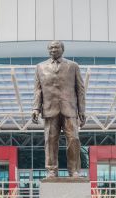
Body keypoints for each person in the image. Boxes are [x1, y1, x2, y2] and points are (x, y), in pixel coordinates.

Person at [31, 40, 86, 178]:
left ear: (62, 49)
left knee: (73, 139)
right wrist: (36, 109)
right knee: (50, 140)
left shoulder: (73, 66)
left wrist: (82, 110)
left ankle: (74, 170)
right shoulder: (40, 67)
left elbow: (80, 89)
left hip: (70, 109)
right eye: (50, 48)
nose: (53, 50)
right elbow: (38, 90)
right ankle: (51, 170)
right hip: (50, 109)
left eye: (56, 47)